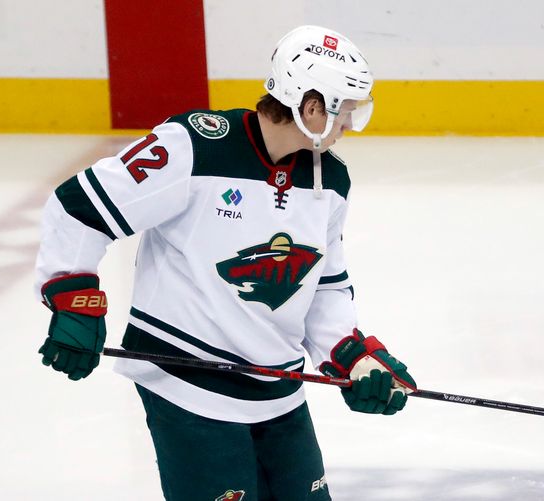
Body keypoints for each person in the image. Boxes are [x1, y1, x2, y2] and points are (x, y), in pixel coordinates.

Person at [34, 25, 416, 501]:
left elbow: (323, 287)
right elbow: (79, 206)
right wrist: (74, 301)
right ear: (313, 106)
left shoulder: (330, 179)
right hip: (187, 385)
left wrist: (352, 357)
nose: (349, 125)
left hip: (279, 389)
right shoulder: (193, 146)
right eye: (346, 110)